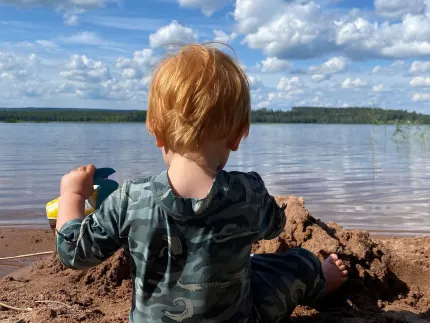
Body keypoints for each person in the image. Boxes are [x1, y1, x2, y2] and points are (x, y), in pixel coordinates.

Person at [56, 43, 348, 323]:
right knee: (294, 262)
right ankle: (323, 279)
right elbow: (275, 227)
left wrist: (72, 194)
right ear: (236, 136)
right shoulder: (248, 192)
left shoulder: (130, 198)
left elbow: (72, 252)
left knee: (254, 267)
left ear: (156, 133)